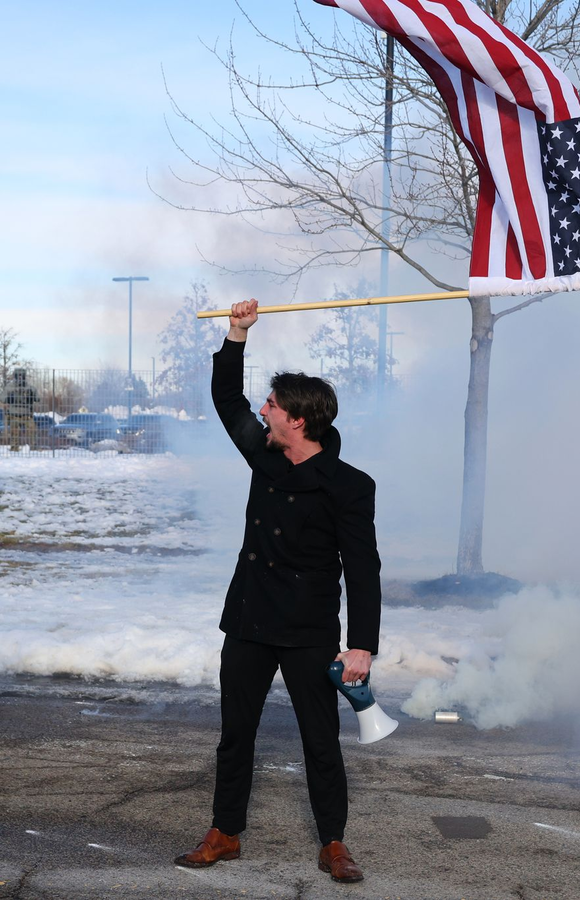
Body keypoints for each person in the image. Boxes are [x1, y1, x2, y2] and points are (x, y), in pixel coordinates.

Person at [174, 299, 381, 884]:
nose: (263, 411)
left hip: (309, 629)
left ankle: (333, 842)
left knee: (321, 740)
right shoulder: (264, 455)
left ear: (300, 421)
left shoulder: (349, 486)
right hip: (248, 620)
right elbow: (227, 399)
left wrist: (362, 644)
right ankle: (225, 832)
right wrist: (237, 333)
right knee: (235, 735)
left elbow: (363, 567)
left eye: (273, 405)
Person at [4, 368, 39, 451]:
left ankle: (34, 447)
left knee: (32, 430)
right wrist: (9, 398)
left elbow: (37, 398)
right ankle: (14, 448)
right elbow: (2, 398)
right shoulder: (10, 387)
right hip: (14, 415)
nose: (20, 378)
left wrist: (31, 396)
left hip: (26, 414)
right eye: (18, 375)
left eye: (21, 376)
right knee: (14, 432)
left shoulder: (30, 387)